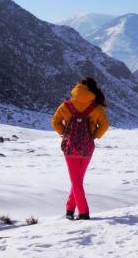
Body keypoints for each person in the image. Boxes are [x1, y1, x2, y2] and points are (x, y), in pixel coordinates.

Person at [51, 77, 109, 220]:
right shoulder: (97, 107)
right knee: (78, 180)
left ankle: (83, 212)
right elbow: (105, 126)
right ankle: (70, 210)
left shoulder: (66, 105)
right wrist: (93, 136)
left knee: (76, 180)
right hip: (87, 148)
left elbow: (55, 121)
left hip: (70, 148)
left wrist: (64, 133)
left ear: (77, 88)